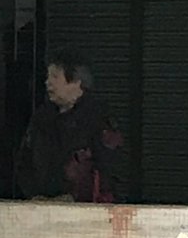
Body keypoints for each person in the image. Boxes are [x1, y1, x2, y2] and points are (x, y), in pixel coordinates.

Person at [15, 51, 126, 203]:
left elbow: (111, 169)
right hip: (40, 206)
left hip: (87, 209)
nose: (48, 82)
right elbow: (24, 161)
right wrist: (33, 195)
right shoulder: (41, 118)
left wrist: (75, 197)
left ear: (76, 82)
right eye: (48, 76)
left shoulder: (99, 119)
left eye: (55, 77)